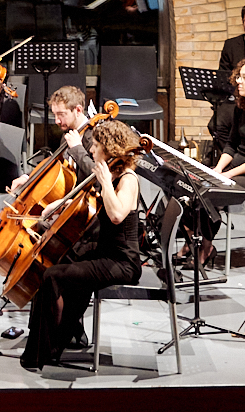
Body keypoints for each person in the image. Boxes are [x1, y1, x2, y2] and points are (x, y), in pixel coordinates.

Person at [19, 118, 149, 371]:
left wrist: (106, 182)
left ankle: (43, 348)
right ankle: (56, 341)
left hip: (122, 262)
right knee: (53, 263)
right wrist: (64, 204)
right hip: (104, 253)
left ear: (109, 149)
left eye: (96, 146)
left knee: (52, 276)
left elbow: (116, 214)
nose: (91, 150)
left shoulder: (128, 179)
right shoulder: (112, 174)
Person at [183, 58, 245, 270]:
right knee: (192, 182)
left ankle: (206, 248)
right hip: (236, 170)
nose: (238, 81)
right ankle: (190, 241)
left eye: (244, 77)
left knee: (212, 190)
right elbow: (231, 144)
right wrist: (218, 169)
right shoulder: (242, 108)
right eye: (239, 76)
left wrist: (226, 176)